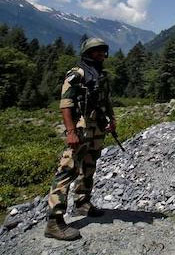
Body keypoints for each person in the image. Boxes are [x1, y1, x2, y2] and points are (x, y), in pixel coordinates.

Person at [45, 37, 116, 241]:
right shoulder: (76, 74)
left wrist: (112, 120)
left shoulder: (102, 75)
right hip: (80, 128)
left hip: (97, 128)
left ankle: (82, 203)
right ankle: (54, 221)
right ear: (87, 53)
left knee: (89, 166)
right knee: (67, 170)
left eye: (102, 50)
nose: (100, 54)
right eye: (96, 51)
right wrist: (70, 132)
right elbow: (65, 104)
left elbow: (106, 100)